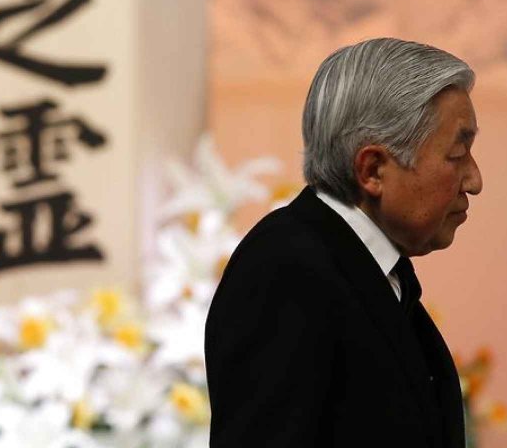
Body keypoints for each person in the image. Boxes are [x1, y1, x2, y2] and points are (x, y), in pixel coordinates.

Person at [205, 38, 482, 447]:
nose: (475, 181)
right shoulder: (287, 272)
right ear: (372, 169)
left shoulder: (364, 266)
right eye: (458, 154)